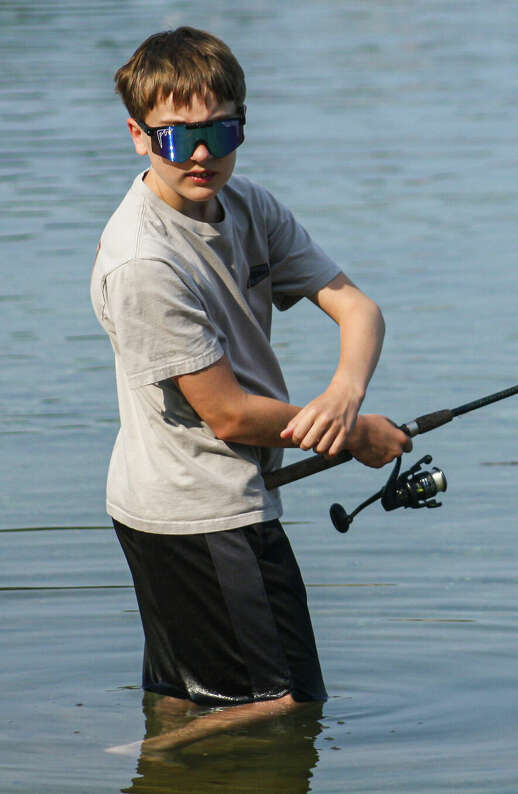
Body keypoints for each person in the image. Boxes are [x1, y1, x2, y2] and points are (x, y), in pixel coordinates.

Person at [91, 26, 411, 752]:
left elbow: (358, 307)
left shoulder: (249, 207)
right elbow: (229, 415)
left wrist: (345, 396)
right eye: (177, 138)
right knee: (288, 701)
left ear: (240, 124)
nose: (201, 154)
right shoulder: (142, 262)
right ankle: (142, 756)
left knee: (186, 688)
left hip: (197, 496)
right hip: (199, 508)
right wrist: (351, 435)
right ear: (139, 137)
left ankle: (163, 752)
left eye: (220, 130)